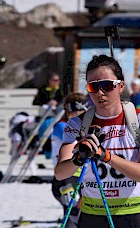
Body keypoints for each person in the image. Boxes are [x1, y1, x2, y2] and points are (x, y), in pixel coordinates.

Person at [55, 54, 140, 228]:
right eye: (93, 87)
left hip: (132, 212)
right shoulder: (77, 123)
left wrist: (105, 156)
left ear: (121, 86)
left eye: (107, 85)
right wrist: (78, 159)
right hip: (93, 213)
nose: (100, 93)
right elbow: (60, 173)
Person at [52, 92, 89, 228]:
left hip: (79, 177)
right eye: (75, 112)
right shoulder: (62, 126)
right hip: (67, 178)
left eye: (82, 112)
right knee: (74, 216)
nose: (79, 116)